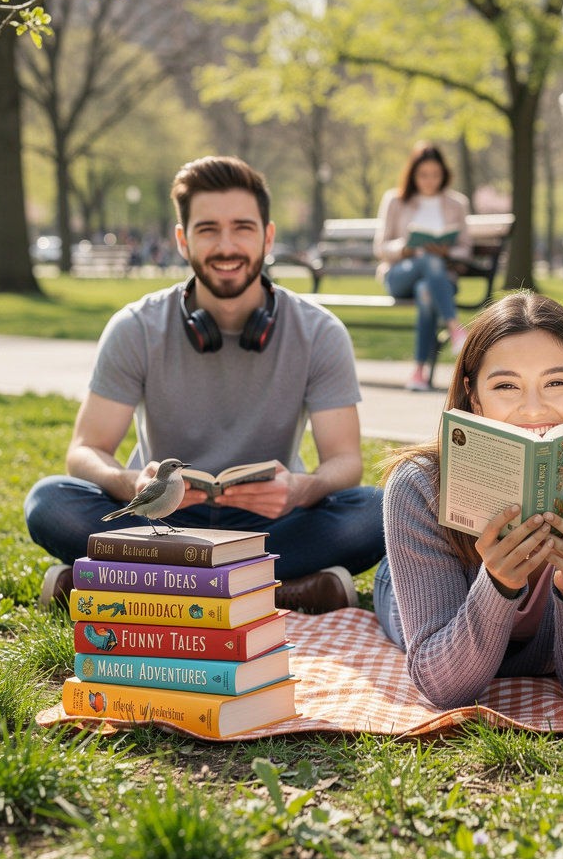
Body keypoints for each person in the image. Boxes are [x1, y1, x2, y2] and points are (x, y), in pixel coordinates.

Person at [26, 156, 385, 613]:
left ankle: (122, 582)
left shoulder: (320, 332)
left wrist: (300, 489)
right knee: (49, 502)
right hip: (162, 520)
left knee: (375, 511)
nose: (227, 245)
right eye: (208, 229)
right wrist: (130, 483)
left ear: (268, 236)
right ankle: (283, 590)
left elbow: (345, 460)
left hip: (270, 522)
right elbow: (85, 448)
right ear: (182, 240)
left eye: (242, 227)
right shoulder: (135, 327)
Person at [373, 292, 563, 708]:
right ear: (474, 396)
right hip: (420, 583)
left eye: (556, 383)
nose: (533, 410)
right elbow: (444, 687)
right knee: (394, 597)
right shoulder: (420, 488)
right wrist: (499, 583)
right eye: (506, 386)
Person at [374, 142, 472, 392]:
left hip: (438, 278)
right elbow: (381, 247)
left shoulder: (456, 204)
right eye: (424, 175)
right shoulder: (395, 200)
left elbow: (465, 249)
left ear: (444, 174)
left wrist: (446, 251)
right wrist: (405, 248)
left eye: (435, 175)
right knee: (427, 260)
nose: (430, 181)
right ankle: (454, 329)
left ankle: (418, 372)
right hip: (400, 275)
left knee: (426, 291)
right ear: (413, 174)